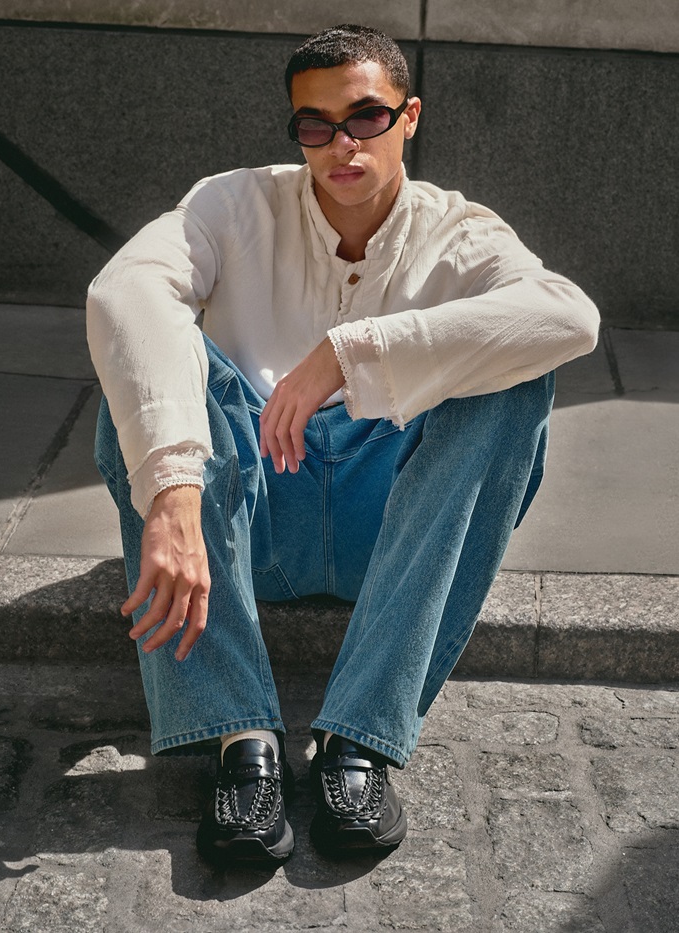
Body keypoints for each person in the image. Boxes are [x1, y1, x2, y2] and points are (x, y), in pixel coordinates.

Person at [86, 24, 599, 866]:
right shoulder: (231, 203)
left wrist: (352, 354)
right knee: (141, 372)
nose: (341, 145)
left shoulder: (461, 231)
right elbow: (125, 291)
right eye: (315, 125)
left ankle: (358, 740)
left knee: (514, 379)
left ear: (409, 117)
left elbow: (570, 316)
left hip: (389, 533)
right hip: (251, 525)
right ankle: (241, 741)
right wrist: (174, 486)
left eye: (365, 117)